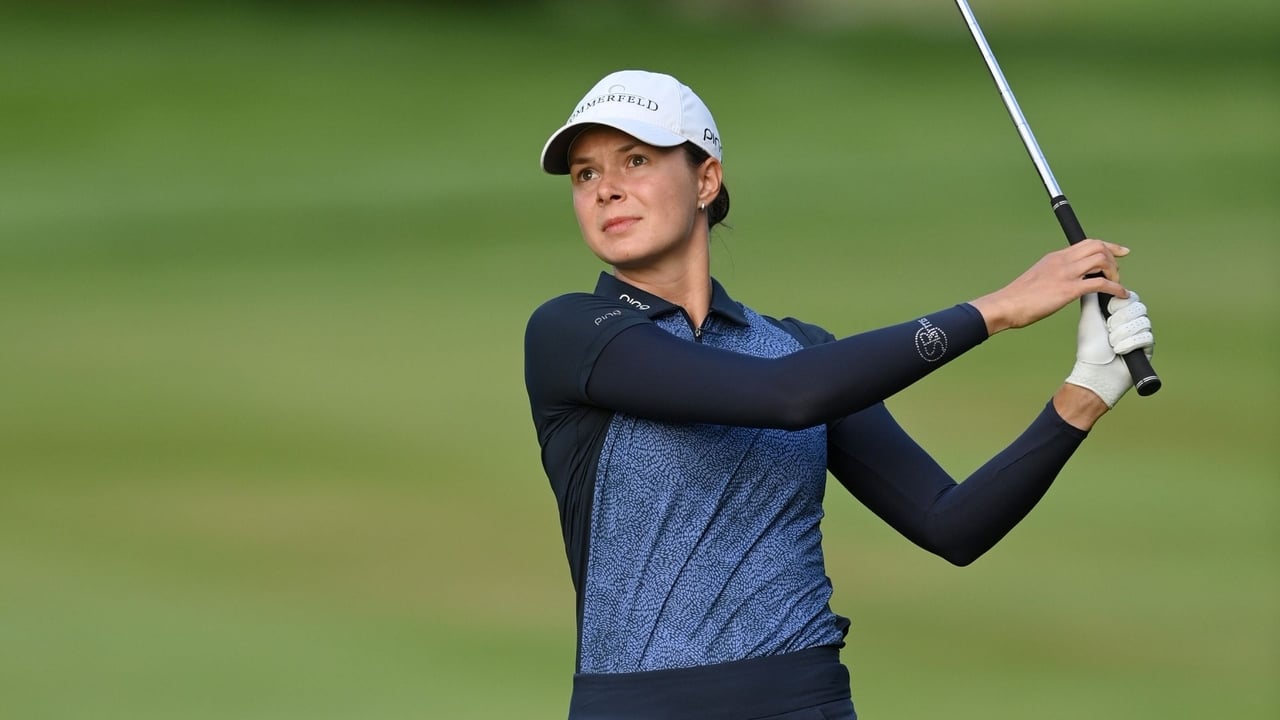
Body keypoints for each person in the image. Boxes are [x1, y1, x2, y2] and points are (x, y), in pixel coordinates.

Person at [523, 69, 1154, 720]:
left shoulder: (797, 349)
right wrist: (998, 309)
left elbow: (952, 524)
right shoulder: (571, 333)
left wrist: (1085, 392)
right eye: (585, 174)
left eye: (635, 160)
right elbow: (787, 397)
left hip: (808, 703)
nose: (608, 190)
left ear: (706, 180)